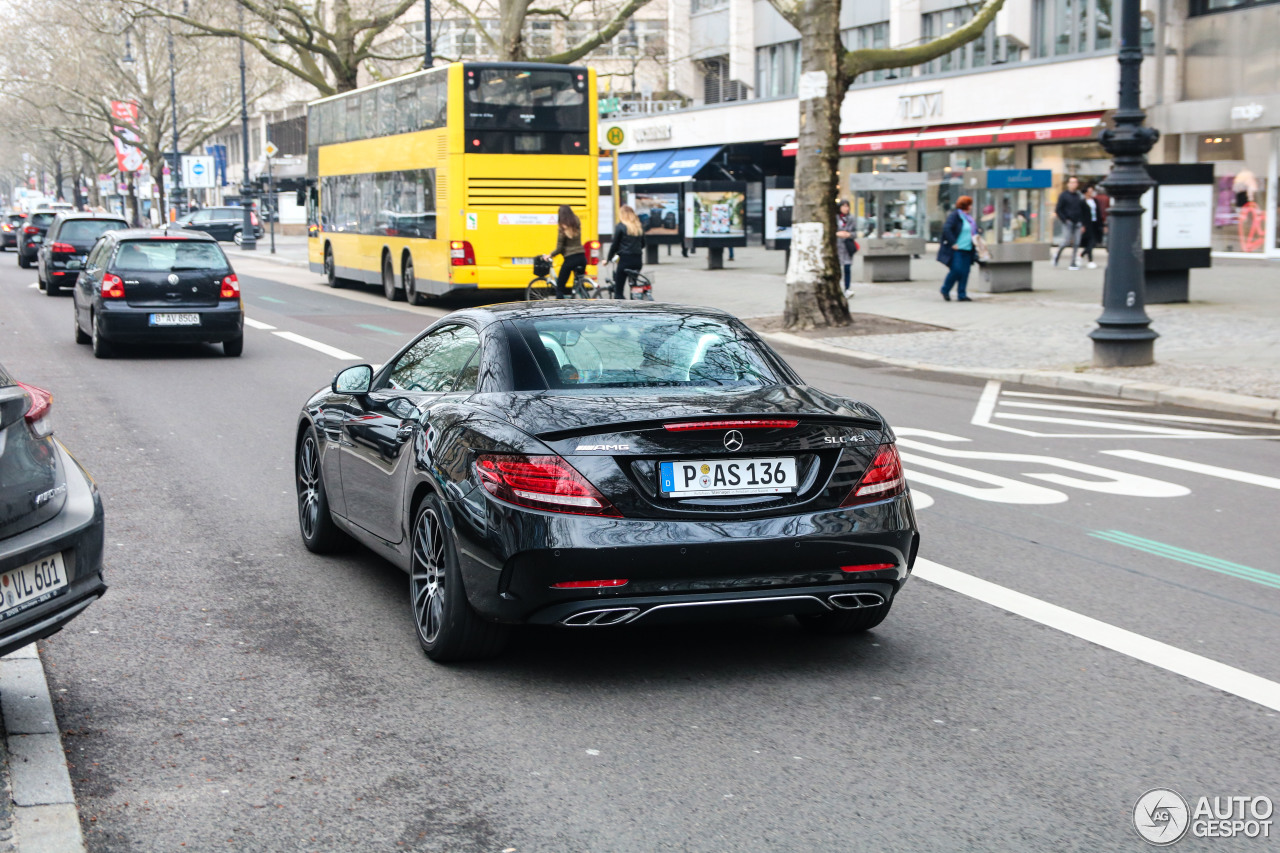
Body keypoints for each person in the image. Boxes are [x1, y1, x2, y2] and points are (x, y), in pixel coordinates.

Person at [937, 195, 980, 302]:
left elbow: (973, 231)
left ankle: (962, 294)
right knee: (956, 270)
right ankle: (945, 289)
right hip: (957, 248)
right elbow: (947, 229)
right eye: (970, 205)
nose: (971, 207)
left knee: (965, 272)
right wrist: (953, 242)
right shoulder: (955, 216)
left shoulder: (969, 218)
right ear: (965, 205)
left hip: (968, 248)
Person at [543, 205, 586, 299]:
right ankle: (586, 301)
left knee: (560, 287)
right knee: (580, 285)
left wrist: (549, 255)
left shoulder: (562, 228)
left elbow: (559, 248)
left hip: (570, 259)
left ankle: (561, 309)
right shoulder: (576, 223)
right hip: (582, 257)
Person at [606, 204, 646, 298]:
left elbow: (614, 245)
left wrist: (608, 259)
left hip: (625, 261)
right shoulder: (638, 227)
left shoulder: (620, 227)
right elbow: (643, 244)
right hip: (637, 261)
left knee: (618, 290)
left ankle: (621, 308)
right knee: (633, 286)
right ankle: (635, 300)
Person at [1054, 176, 1085, 270]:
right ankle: (1057, 255)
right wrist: (1065, 219)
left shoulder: (1079, 196)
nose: (1073, 184)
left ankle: (1073, 262)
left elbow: (1083, 209)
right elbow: (1058, 209)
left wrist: (1083, 222)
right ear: (1068, 184)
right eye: (1071, 182)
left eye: (1075, 182)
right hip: (1068, 222)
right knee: (1066, 241)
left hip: (1078, 222)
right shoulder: (1063, 195)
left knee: (1076, 242)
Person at [835, 199, 857, 295]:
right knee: (837, 268)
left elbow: (855, 233)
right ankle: (837, 288)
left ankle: (847, 288)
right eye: (844, 206)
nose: (846, 208)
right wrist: (837, 233)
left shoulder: (851, 218)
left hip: (847, 246)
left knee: (847, 268)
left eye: (847, 206)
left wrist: (849, 234)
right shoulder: (835, 218)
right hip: (837, 245)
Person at [1081, 184, 1101, 269]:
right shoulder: (1082, 202)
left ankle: (1082, 254)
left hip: (1095, 223)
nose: (1091, 193)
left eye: (1092, 191)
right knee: (1090, 241)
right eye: (1089, 191)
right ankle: (1090, 260)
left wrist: (1102, 224)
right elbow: (1081, 214)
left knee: (1094, 241)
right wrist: (1082, 225)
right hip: (1087, 224)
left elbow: (1098, 212)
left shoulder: (1095, 201)